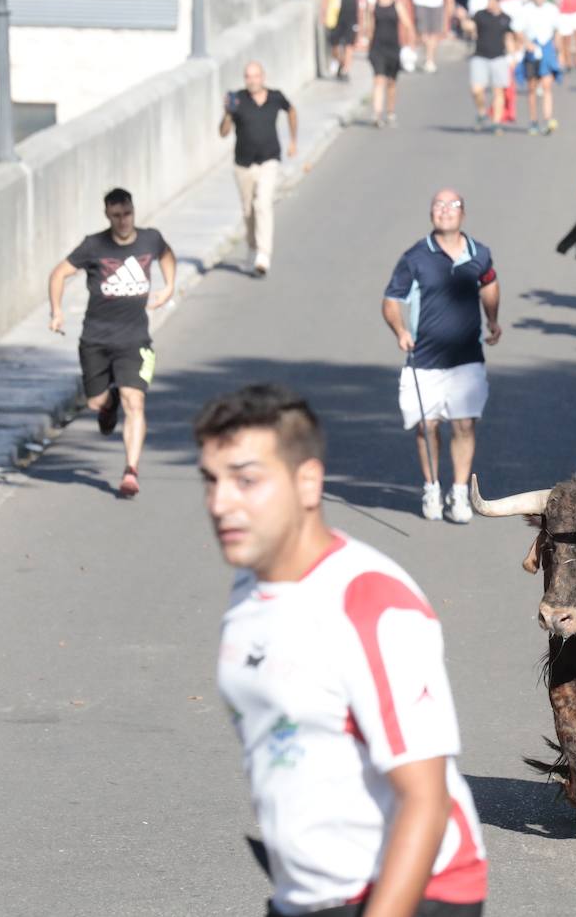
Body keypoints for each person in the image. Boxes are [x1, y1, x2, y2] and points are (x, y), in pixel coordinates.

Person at [200, 384, 488, 917]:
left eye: (246, 480)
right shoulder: (249, 588)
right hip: (309, 895)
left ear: (307, 481)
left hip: (414, 893)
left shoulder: (370, 602)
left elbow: (425, 800)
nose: (221, 503)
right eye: (211, 481)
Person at [382, 190, 501, 523]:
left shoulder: (480, 253)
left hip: (466, 357)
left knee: (464, 425)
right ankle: (432, 486)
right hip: (424, 359)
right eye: (438, 205)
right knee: (426, 426)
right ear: (431, 213)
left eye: (452, 205)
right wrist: (400, 331)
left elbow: (489, 284)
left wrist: (492, 319)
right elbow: (391, 300)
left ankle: (459, 492)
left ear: (463, 213)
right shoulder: (415, 256)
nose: (445, 211)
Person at [47, 188, 175, 498]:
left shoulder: (150, 239)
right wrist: (57, 311)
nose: (123, 221)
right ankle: (108, 403)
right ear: (107, 215)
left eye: (127, 213)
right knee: (95, 402)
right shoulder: (94, 246)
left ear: (133, 210)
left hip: (135, 340)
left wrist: (169, 287)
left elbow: (167, 255)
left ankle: (131, 471)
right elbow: (59, 273)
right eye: (116, 215)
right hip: (96, 339)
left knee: (136, 401)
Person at [219, 62, 298, 277]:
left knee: (262, 203)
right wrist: (227, 113)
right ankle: (252, 249)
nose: (251, 80)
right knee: (248, 211)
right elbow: (223, 132)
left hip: (269, 160)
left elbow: (291, 111)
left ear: (263, 77)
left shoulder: (275, 97)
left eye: (255, 76)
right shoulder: (238, 99)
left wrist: (293, 141)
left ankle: (264, 254)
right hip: (243, 164)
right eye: (247, 76)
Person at [364, 0, 417, 128]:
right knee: (379, 80)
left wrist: (411, 43)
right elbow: (369, 28)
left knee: (391, 83)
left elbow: (407, 24)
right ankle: (377, 114)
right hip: (377, 47)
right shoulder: (373, 6)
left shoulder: (396, 5)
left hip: (393, 48)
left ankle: (390, 111)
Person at [515, 0, 562, 135]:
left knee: (547, 85)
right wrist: (527, 44)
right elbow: (517, 29)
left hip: (547, 49)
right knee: (532, 87)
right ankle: (533, 120)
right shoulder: (526, 9)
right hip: (532, 50)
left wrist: (557, 49)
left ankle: (548, 118)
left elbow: (558, 30)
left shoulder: (552, 9)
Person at [469, 0, 515, 131]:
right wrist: (464, 21)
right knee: (476, 89)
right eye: (488, 0)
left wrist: (512, 56)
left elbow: (508, 38)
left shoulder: (505, 19)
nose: (490, 3)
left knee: (498, 91)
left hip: (498, 57)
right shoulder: (480, 15)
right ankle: (482, 112)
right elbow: (471, 27)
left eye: (492, 0)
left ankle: (496, 122)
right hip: (480, 56)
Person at [323, 0, 363, 81]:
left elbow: (362, 2)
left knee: (349, 44)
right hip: (337, 15)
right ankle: (339, 62)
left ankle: (346, 69)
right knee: (334, 42)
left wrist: (362, 22)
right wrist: (323, 13)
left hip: (351, 16)